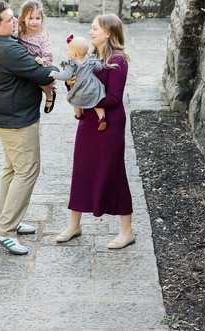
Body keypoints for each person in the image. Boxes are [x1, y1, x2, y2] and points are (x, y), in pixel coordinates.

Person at [0, 0, 56, 255]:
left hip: (3, 115)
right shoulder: (8, 50)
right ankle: (4, 230)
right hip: (17, 120)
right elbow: (43, 75)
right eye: (10, 20)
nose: (16, 22)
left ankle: (9, 218)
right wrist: (67, 68)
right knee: (27, 171)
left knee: (12, 170)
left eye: (14, 17)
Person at [56, 14, 135, 250]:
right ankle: (74, 225)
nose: (90, 32)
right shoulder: (89, 57)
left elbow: (113, 98)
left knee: (114, 174)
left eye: (94, 28)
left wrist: (86, 96)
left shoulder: (118, 60)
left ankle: (127, 231)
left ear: (108, 32)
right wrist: (71, 84)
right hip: (88, 122)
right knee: (81, 171)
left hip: (109, 124)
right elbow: (79, 84)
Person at [49, 35, 107, 130]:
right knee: (97, 103)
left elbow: (66, 76)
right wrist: (93, 59)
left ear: (74, 54)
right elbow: (99, 68)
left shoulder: (71, 64)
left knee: (76, 104)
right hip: (92, 88)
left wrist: (54, 74)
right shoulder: (89, 60)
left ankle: (79, 115)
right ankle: (102, 119)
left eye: (69, 50)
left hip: (79, 90)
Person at [17, 0, 56, 113]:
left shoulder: (42, 37)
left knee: (37, 77)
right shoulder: (19, 34)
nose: (34, 22)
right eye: (30, 18)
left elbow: (49, 56)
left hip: (41, 65)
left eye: (37, 18)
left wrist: (42, 60)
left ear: (42, 19)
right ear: (23, 18)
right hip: (25, 64)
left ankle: (50, 95)